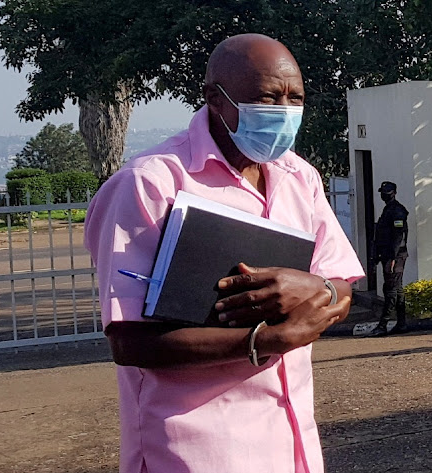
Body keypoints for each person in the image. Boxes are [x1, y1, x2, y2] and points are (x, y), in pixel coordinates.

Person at [84, 33, 364, 473]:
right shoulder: (151, 184)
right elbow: (129, 340)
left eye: (296, 98)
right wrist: (267, 340)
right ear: (215, 98)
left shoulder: (299, 177)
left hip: (292, 447)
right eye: (268, 98)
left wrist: (318, 288)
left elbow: (343, 285)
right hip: (192, 453)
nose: (285, 112)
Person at [369, 181, 409, 337]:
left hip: (396, 256)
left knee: (391, 289)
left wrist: (392, 258)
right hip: (388, 255)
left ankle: (383, 325)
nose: (383, 195)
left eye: (387, 192)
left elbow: (399, 236)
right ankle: (402, 323)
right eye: (382, 192)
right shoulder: (388, 210)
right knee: (397, 289)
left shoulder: (398, 211)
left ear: (394, 193)